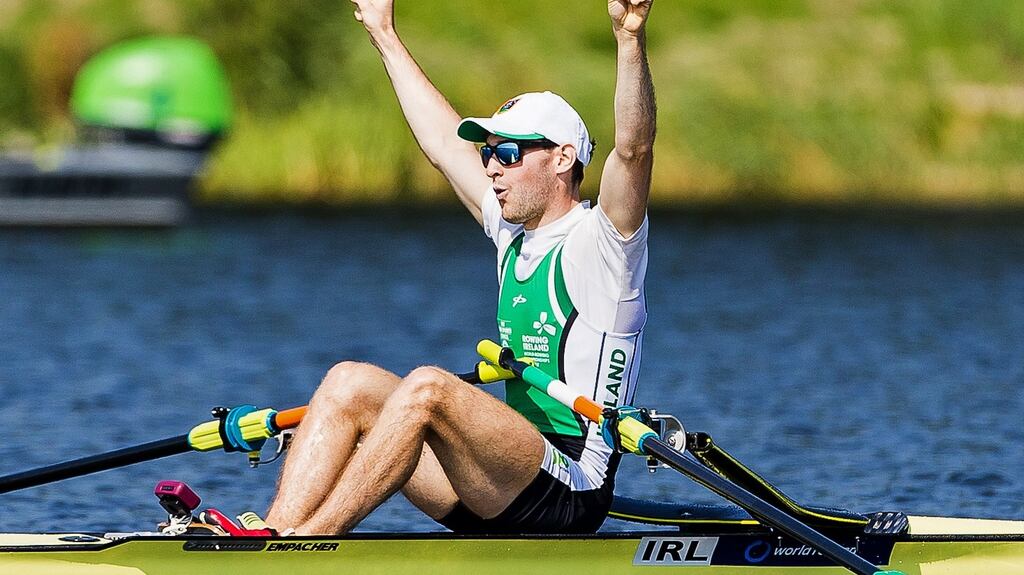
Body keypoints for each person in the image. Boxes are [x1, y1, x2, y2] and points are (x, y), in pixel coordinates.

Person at [265, 0, 656, 535]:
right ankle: (271, 536)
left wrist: (629, 39)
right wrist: (383, 31)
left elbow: (633, 151)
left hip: (572, 487)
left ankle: (311, 541)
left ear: (563, 159)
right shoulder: (512, 232)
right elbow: (444, 146)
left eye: (509, 153)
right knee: (347, 382)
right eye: (489, 154)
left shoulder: (605, 246)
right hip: (499, 478)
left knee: (429, 386)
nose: (492, 167)